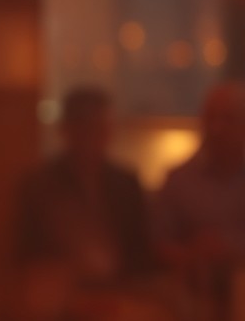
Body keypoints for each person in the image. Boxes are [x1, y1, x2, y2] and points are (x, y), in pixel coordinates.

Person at [16, 87, 154, 286]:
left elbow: (140, 255)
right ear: (68, 130)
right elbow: (27, 257)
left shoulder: (126, 184)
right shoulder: (39, 187)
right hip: (58, 298)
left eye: (101, 128)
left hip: (121, 297)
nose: (95, 138)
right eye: (87, 128)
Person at [158, 82, 245, 295]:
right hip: (192, 295)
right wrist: (192, 255)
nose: (216, 128)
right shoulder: (178, 181)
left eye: (228, 119)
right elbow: (156, 243)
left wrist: (229, 249)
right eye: (210, 118)